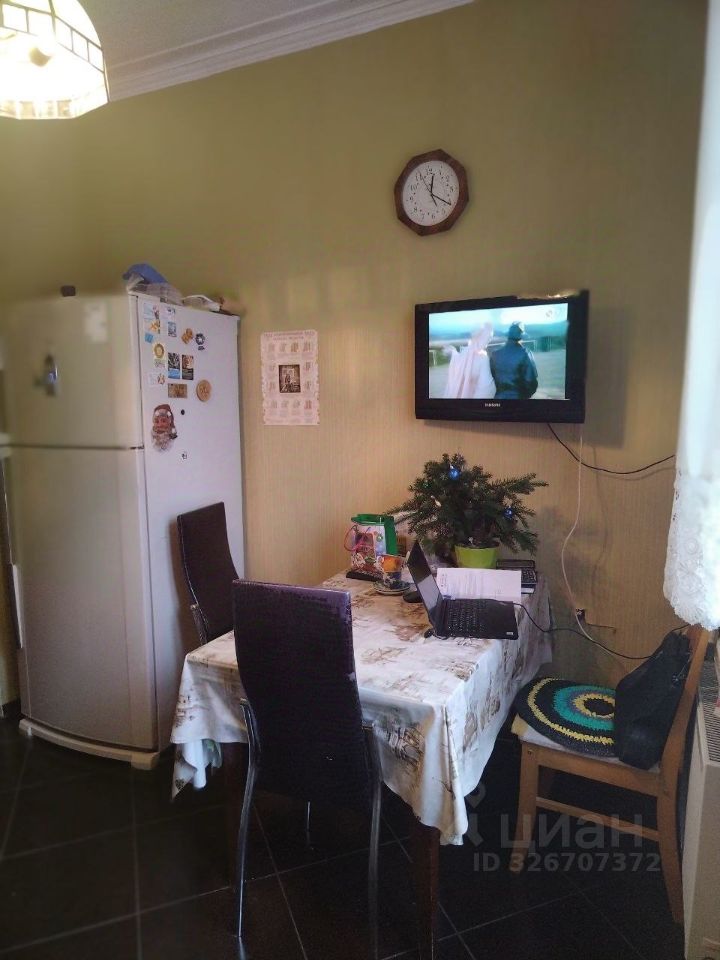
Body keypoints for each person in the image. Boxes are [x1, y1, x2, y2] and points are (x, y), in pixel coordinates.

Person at [443, 322, 496, 399]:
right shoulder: (483, 358)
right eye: (488, 337)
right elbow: (486, 389)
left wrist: (452, 352)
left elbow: (457, 361)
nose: (490, 340)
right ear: (479, 336)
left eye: (491, 338)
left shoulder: (466, 352)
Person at [489, 322, 538, 399]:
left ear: (508, 336)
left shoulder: (495, 354)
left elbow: (492, 377)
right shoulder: (525, 353)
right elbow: (531, 381)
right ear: (521, 337)